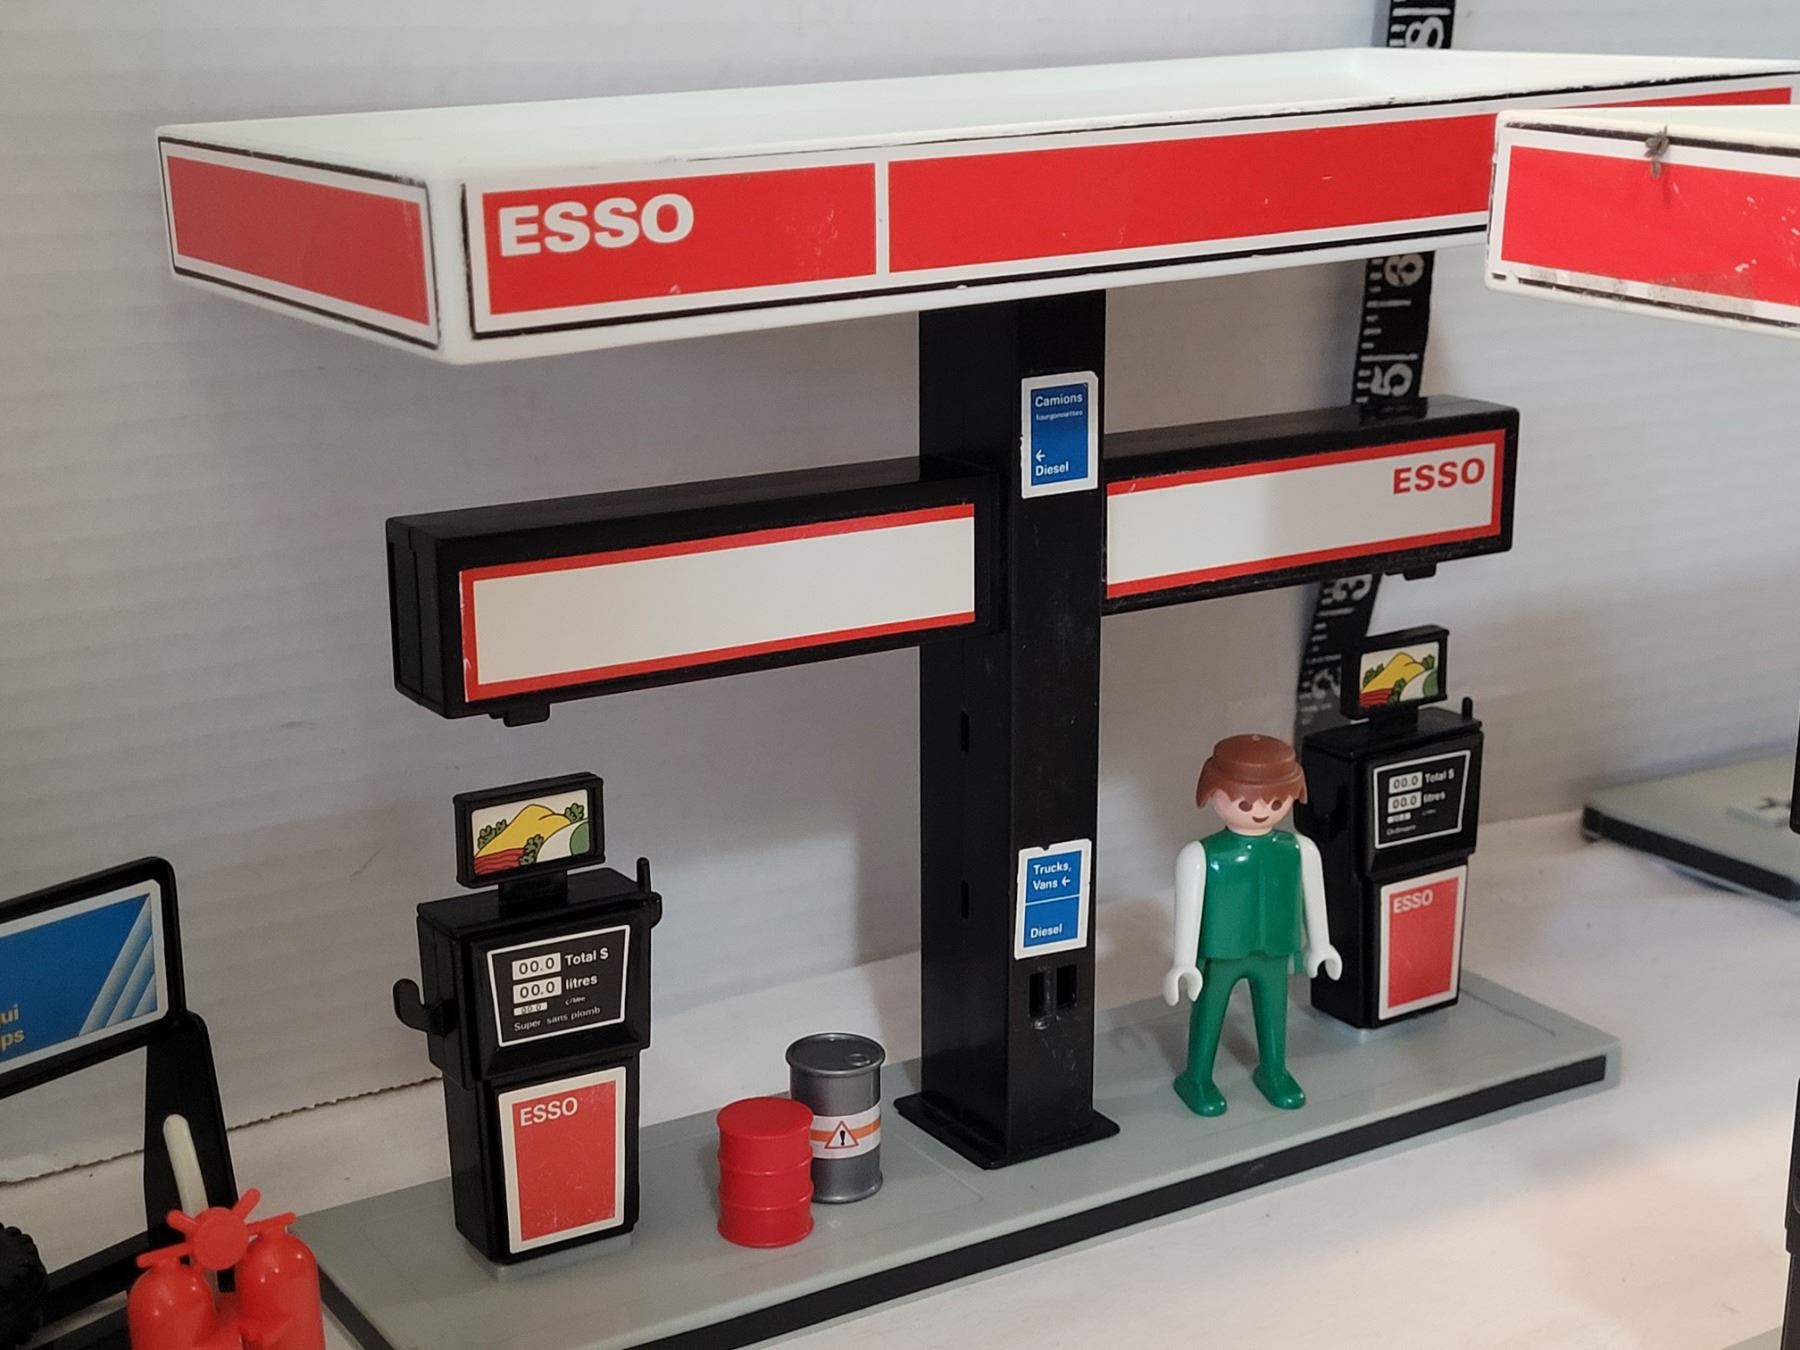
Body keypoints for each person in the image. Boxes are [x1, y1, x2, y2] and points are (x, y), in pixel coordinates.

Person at [1162, 733, 1341, 1117]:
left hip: (1274, 948)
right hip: (1221, 951)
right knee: (1209, 1012)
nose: (1261, 811)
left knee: (1275, 1013)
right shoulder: (1202, 855)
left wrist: (1321, 944)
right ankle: (1197, 1077)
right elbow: (1189, 910)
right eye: (1245, 802)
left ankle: (1274, 1071)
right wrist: (1184, 962)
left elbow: (1314, 896)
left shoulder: (1299, 849)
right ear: (1212, 793)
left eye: (1276, 802)